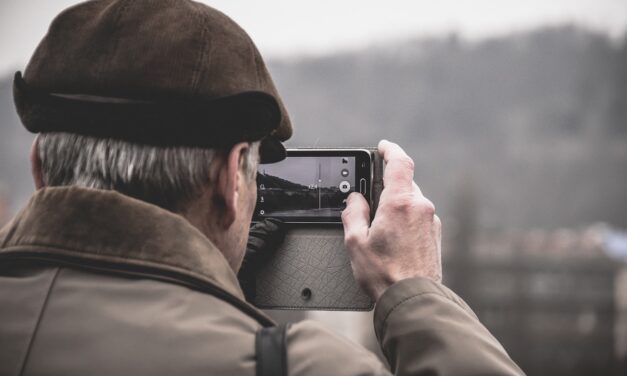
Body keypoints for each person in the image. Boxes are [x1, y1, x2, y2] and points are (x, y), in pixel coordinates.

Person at [0, 1, 524, 375]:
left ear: (40, 170)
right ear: (231, 181)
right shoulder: (298, 366)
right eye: (254, 176)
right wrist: (415, 291)